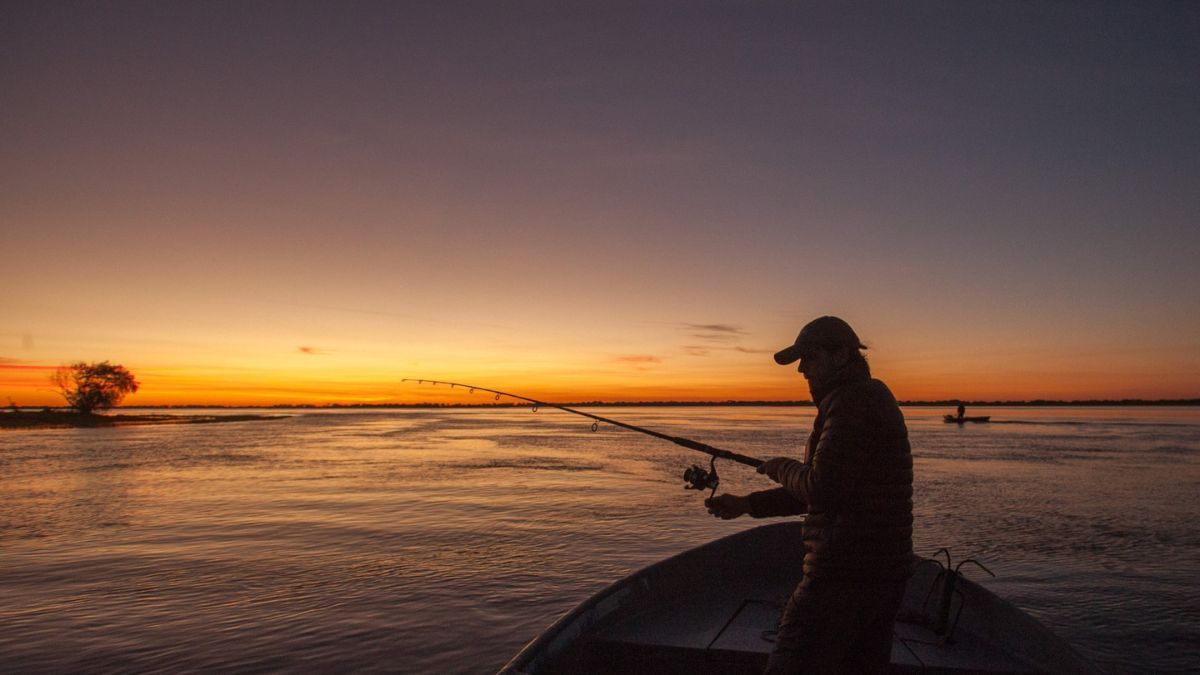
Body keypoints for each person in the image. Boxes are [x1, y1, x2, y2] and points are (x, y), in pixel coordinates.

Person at [705, 316, 914, 674]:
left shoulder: (850, 404)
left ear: (843, 355)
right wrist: (746, 505)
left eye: (810, 358)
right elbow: (826, 491)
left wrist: (780, 466)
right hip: (882, 576)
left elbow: (821, 488)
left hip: (842, 577)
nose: (802, 369)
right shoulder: (864, 398)